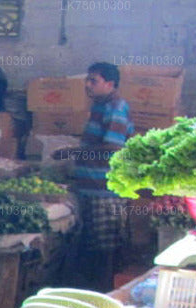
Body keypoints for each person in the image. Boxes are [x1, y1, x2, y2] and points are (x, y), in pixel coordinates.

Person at [59, 61, 135, 290]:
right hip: (90, 187)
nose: (87, 85)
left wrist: (72, 152)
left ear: (110, 84)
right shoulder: (99, 107)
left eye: (94, 81)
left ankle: (105, 292)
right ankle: (93, 288)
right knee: (93, 244)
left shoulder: (116, 107)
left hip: (105, 190)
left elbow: (113, 147)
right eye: (87, 80)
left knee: (105, 247)